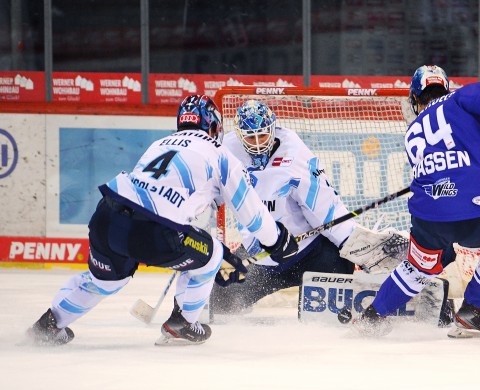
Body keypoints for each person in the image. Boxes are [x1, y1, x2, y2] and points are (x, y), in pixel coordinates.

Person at [25, 95, 298, 346]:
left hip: (107, 217)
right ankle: (183, 324)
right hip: (152, 232)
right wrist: (276, 241)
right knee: (213, 256)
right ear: (215, 127)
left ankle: (49, 325)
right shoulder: (220, 154)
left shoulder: (159, 145)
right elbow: (251, 213)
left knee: (105, 281)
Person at [354, 65, 480, 338]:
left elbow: (441, 166)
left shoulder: (413, 131)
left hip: (426, 217)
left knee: (417, 267)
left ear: (415, 98)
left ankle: (373, 317)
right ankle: (474, 310)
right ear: (446, 88)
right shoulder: (462, 98)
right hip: (471, 211)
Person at [209, 99, 415, 316]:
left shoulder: (294, 152)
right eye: (251, 137)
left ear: (273, 128)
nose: (258, 143)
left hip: (310, 254)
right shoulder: (226, 151)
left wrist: (355, 246)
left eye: (263, 135)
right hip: (262, 257)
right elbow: (209, 193)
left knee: (330, 314)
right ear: (240, 135)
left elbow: (326, 209)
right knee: (218, 303)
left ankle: (398, 290)